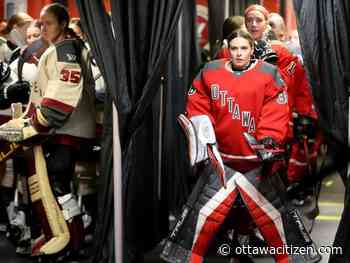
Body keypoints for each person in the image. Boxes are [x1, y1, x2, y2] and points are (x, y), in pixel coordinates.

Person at [161, 30, 320, 263]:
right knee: (198, 221)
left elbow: (276, 108)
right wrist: (205, 138)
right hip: (222, 162)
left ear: (251, 49)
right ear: (228, 49)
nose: (238, 53)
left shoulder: (269, 74)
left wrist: (269, 141)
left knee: (278, 220)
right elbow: (197, 105)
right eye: (234, 48)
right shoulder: (210, 72)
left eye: (243, 48)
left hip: (257, 163)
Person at [0, 3, 96, 261]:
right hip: (62, 129)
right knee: (55, 184)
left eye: (49, 23)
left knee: (57, 182)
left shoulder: (67, 50)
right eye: (40, 24)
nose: (43, 28)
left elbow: (61, 99)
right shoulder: (60, 49)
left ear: (64, 24)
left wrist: (33, 125)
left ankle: (71, 240)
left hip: (67, 130)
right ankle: (64, 237)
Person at [244, 4, 320, 200]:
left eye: (259, 21)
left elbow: (297, 85)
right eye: (249, 21)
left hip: (274, 123)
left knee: (270, 174)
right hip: (243, 122)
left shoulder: (285, 55)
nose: (254, 25)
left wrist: (304, 114)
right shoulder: (235, 51)